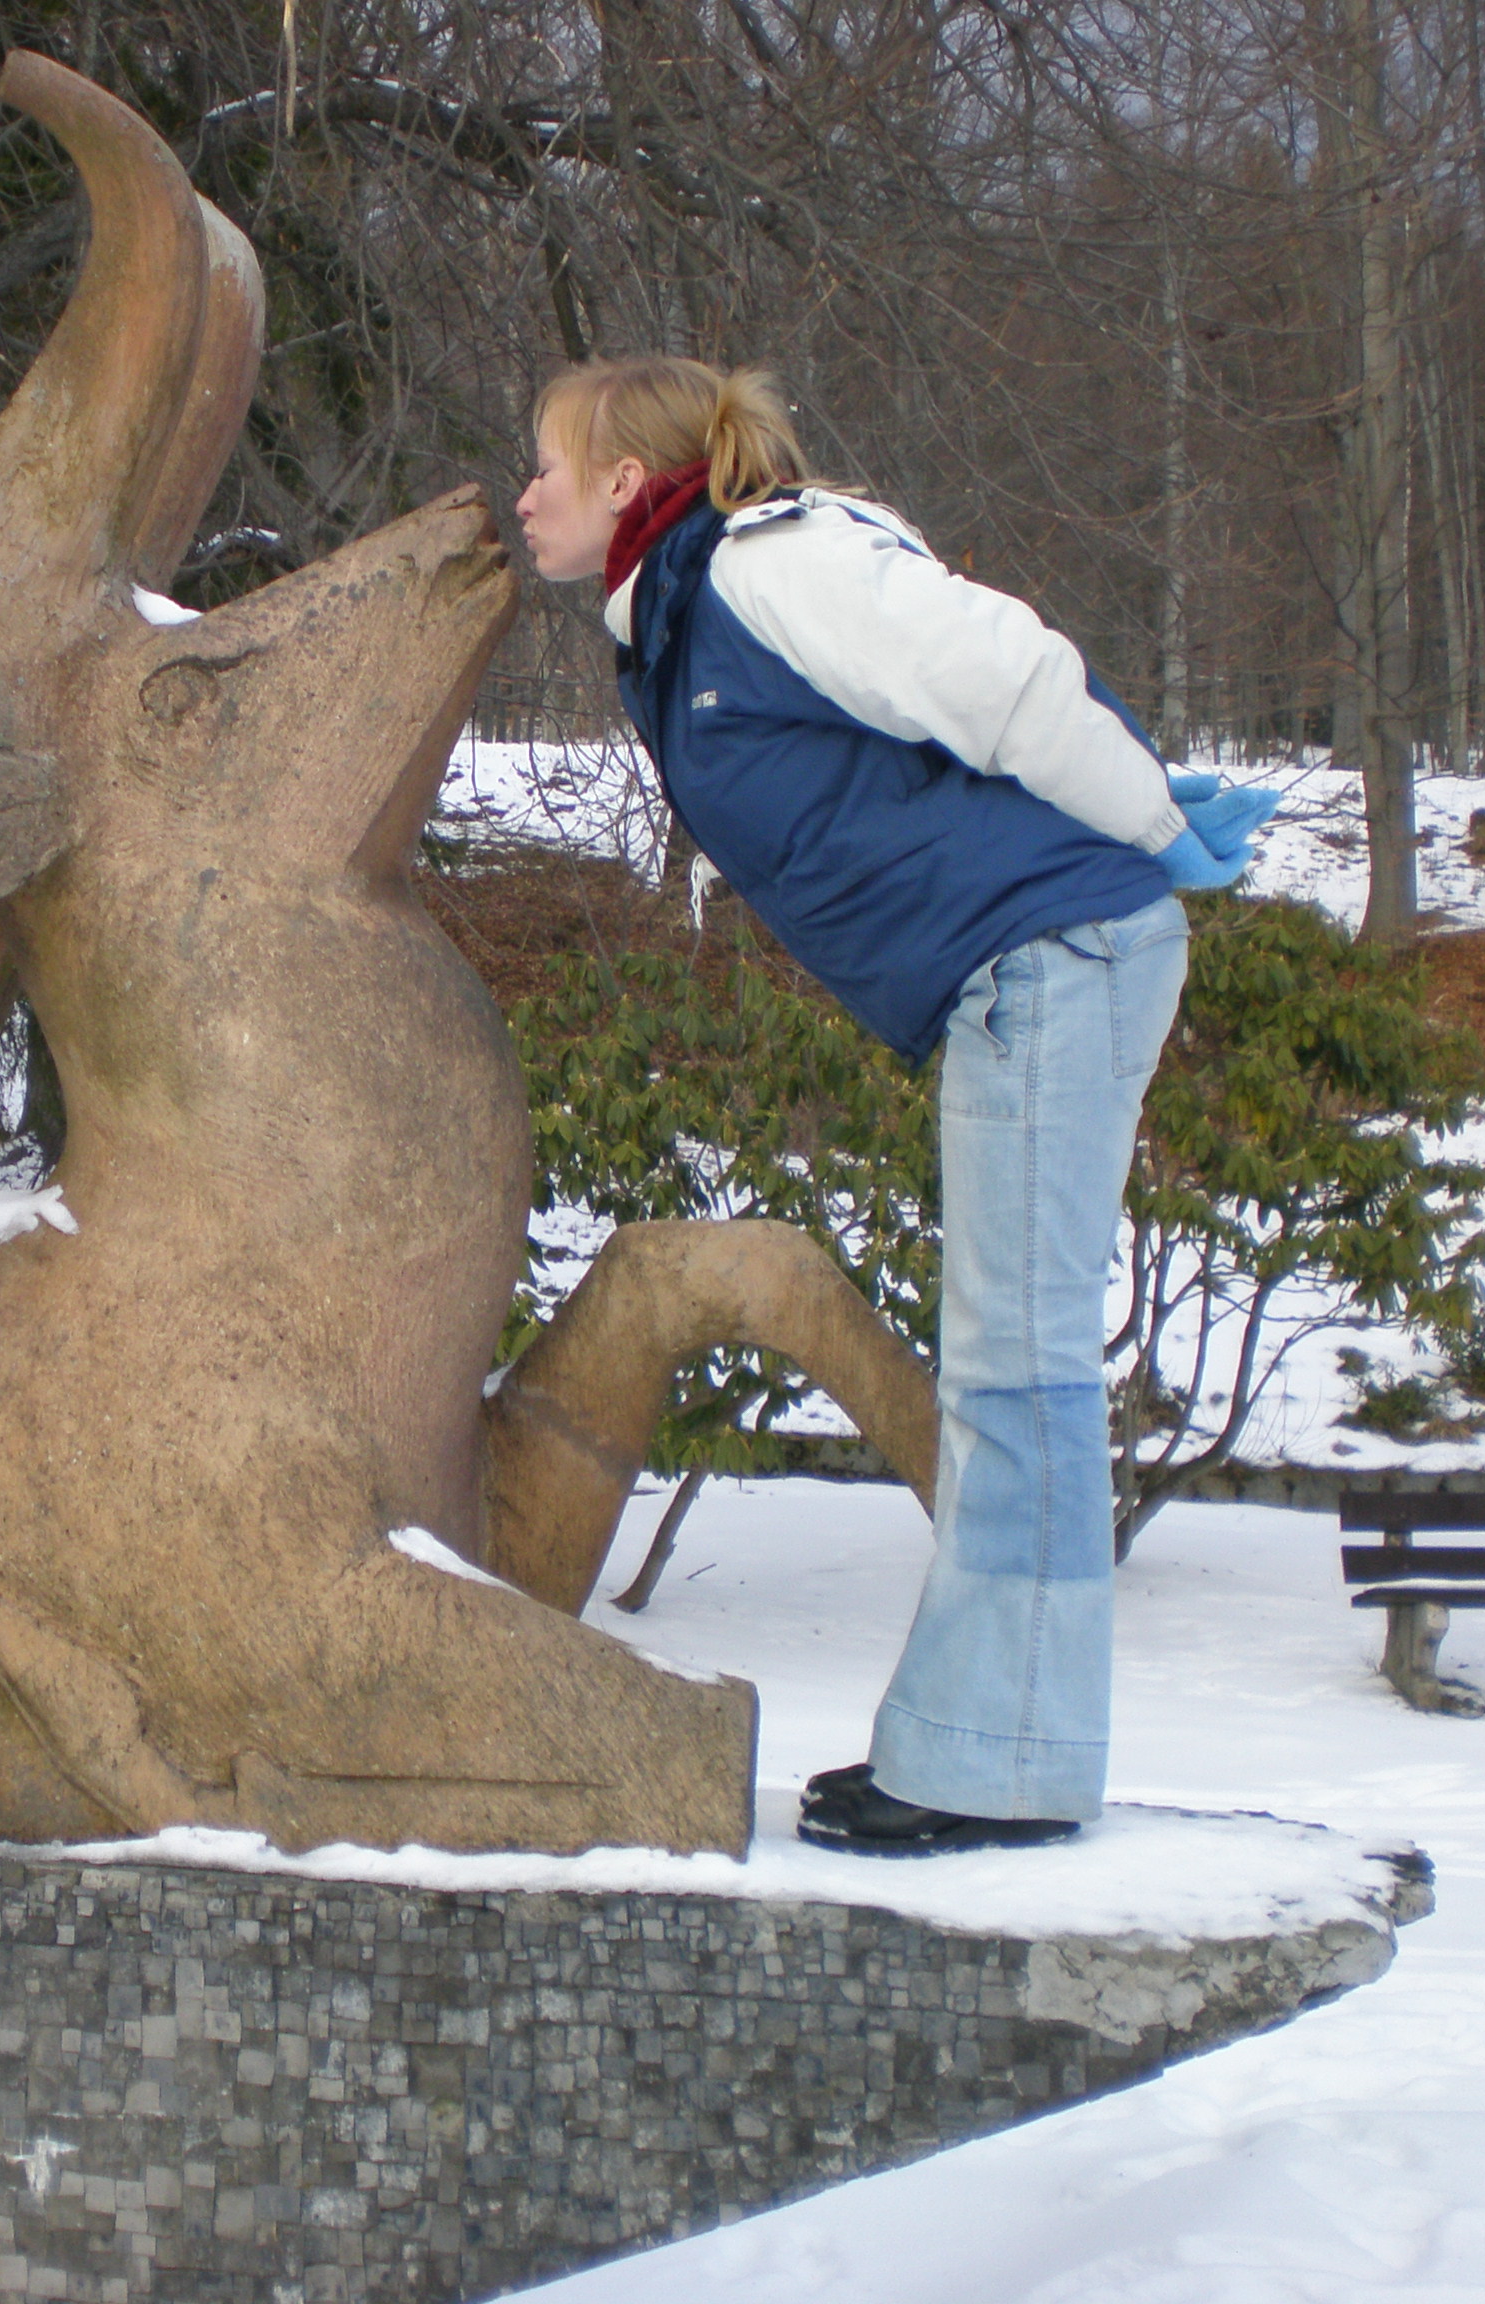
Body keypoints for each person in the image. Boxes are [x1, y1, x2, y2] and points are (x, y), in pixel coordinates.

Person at [513, 356, 1278, 1856]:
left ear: (621, 481)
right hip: (1025, 967)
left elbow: (1009, 677)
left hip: (1060, 949)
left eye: (543, 462)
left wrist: (1154, 829)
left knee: (1020, 1370)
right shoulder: (678, 614)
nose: (522, 493)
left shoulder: (771, 562)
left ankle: (999, 1764)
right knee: (1006, 1361)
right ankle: (984, 1747)